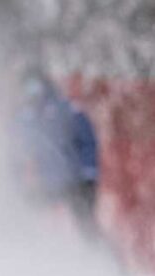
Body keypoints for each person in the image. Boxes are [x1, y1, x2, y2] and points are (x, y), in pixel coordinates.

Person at [15, 68, 101, 242]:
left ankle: (107, 263)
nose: (32, 93)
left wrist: (89, 174)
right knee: (29, 219)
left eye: (34, 86)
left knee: (85, 226)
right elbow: (17, 149)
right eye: (27, 88)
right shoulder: (25, 118)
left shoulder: (66, 110)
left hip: (75, 181)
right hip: (47, 183)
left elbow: (88, 142)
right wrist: (22, 181)